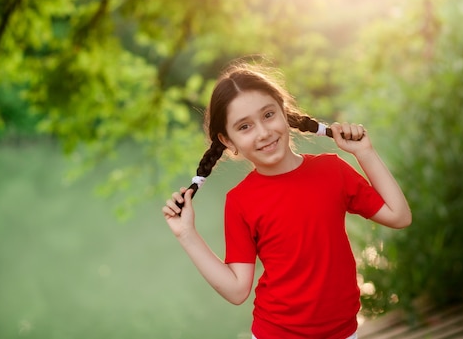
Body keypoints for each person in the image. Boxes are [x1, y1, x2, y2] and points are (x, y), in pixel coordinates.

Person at [162, 61, 411, 339]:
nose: (263, 132)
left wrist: (364, 152)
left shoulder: (333, 171)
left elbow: (399, 216)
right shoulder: (240, 201)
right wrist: (186, 234)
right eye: (244, 127)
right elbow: (236, 290)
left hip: (344, 333)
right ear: (227, 140)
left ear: (284, 111)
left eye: (268, 115)